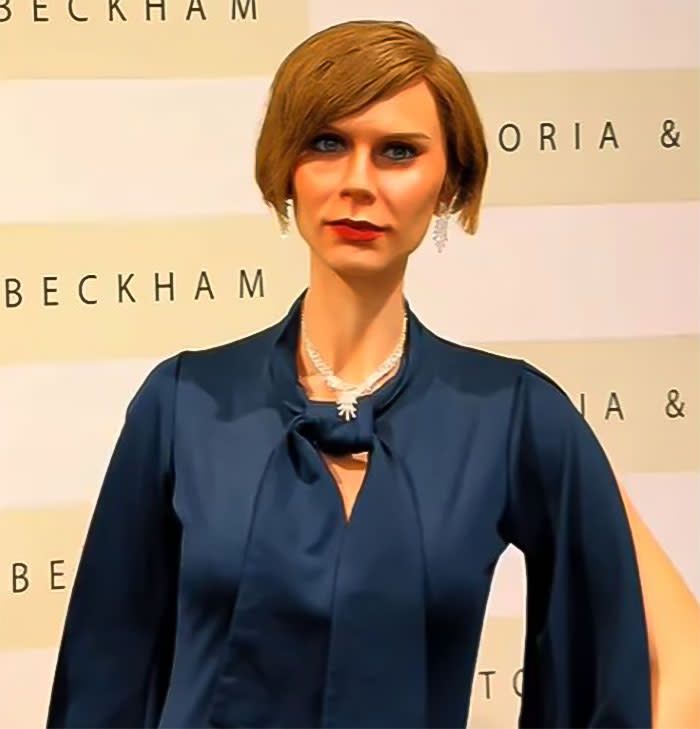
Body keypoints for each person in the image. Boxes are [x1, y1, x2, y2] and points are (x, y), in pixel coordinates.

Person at [46, 19, 697, 729]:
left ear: (448, 183)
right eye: (327, 143)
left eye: (398, 152)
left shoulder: (510, 414)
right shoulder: (183, 405)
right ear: (286, 168)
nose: (358, 182)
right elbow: (103, 683)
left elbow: (677, 655)